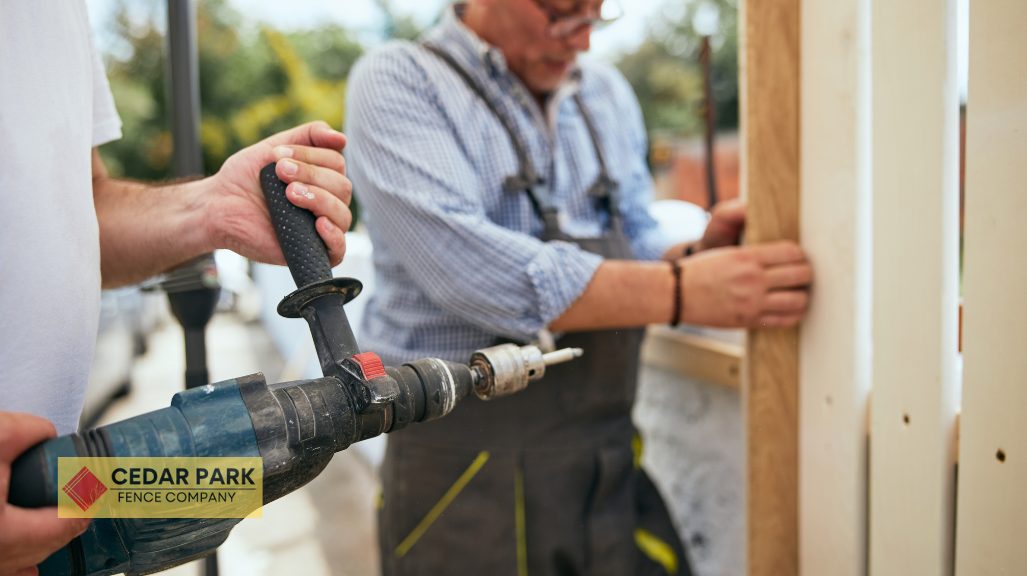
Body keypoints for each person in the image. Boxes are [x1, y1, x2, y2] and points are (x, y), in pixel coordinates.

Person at [345, 1, 812, 575]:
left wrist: (695, 257)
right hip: (461, 476)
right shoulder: (402, 80)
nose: (582, 41)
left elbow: (635, 236)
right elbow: (465, 268)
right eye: (564, 12)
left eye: (596, 14)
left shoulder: (606, 94)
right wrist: (680, 291)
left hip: (602, 463)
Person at [0, 3, 352, 573]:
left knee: (225, 481)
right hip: (49, 493)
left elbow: (78, 214)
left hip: (57, 502)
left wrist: (211, 207)